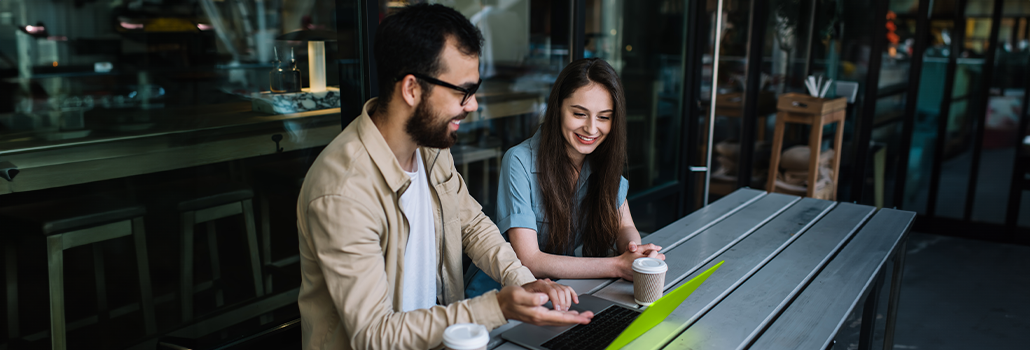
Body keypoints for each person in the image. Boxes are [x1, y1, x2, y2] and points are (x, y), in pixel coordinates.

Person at [296, 4, 592, 350]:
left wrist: (525, 283)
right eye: (462, 91)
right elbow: (373, 335)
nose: (474, 105)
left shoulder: (429, 146)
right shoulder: (343, 192)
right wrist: (496, 306)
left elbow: (471, 224)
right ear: (412, 89)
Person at [466, 58, 665, 299]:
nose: (592, 129)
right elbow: (530, 259)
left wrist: (635, 252)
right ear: (558, 108)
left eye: (604, 117)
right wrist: (618, 265)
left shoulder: (602, 159)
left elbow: (625, 226)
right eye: (580, 114)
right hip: (499, 296)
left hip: (558, 293)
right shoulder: (519, 160)